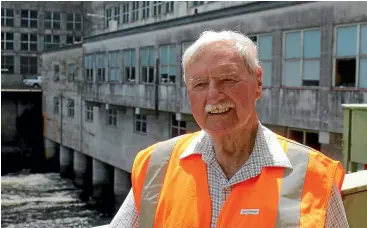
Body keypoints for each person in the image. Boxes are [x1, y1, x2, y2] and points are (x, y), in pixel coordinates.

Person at [110, 30, 349, 228]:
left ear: (258, 82)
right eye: (200, 84)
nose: (213, 95)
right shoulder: (156, 165)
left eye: (228, 80)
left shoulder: (315, 176)